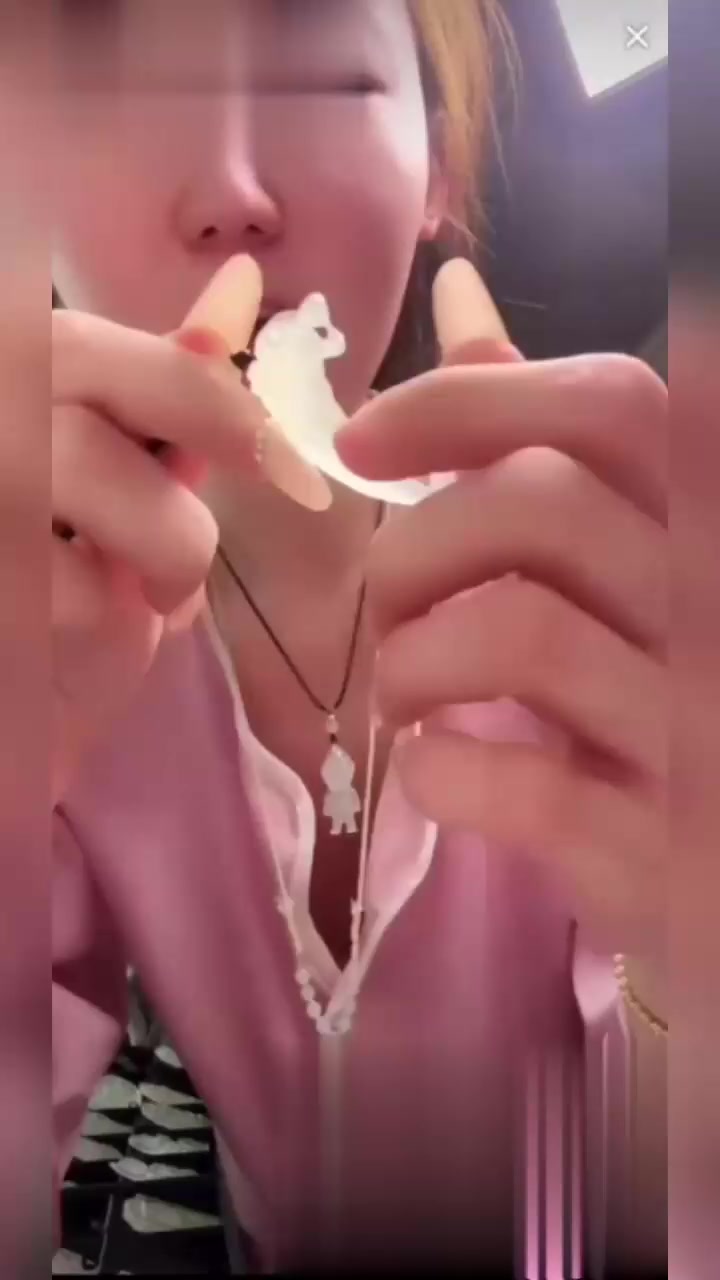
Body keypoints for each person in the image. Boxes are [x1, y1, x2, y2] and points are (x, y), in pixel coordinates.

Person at [52, 1, 667, 1272]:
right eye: (117, 99)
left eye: (324, 83)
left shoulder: (606, 598)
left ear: (437, 176)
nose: (229, 192)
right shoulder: (56, 660)